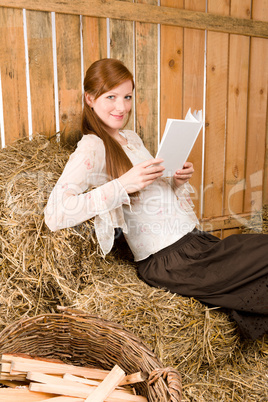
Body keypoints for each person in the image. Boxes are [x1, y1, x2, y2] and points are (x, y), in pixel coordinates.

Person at [45, 58, 268, 340]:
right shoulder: (92, 147)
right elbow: (56, 213)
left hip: (194, 243)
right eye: (111, 97)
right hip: (169, 261)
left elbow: (152, 198)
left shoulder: (132, 139)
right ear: (90, 99)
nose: (122, 107)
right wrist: (121, 185)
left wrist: (175, 180)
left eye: (127, 97)